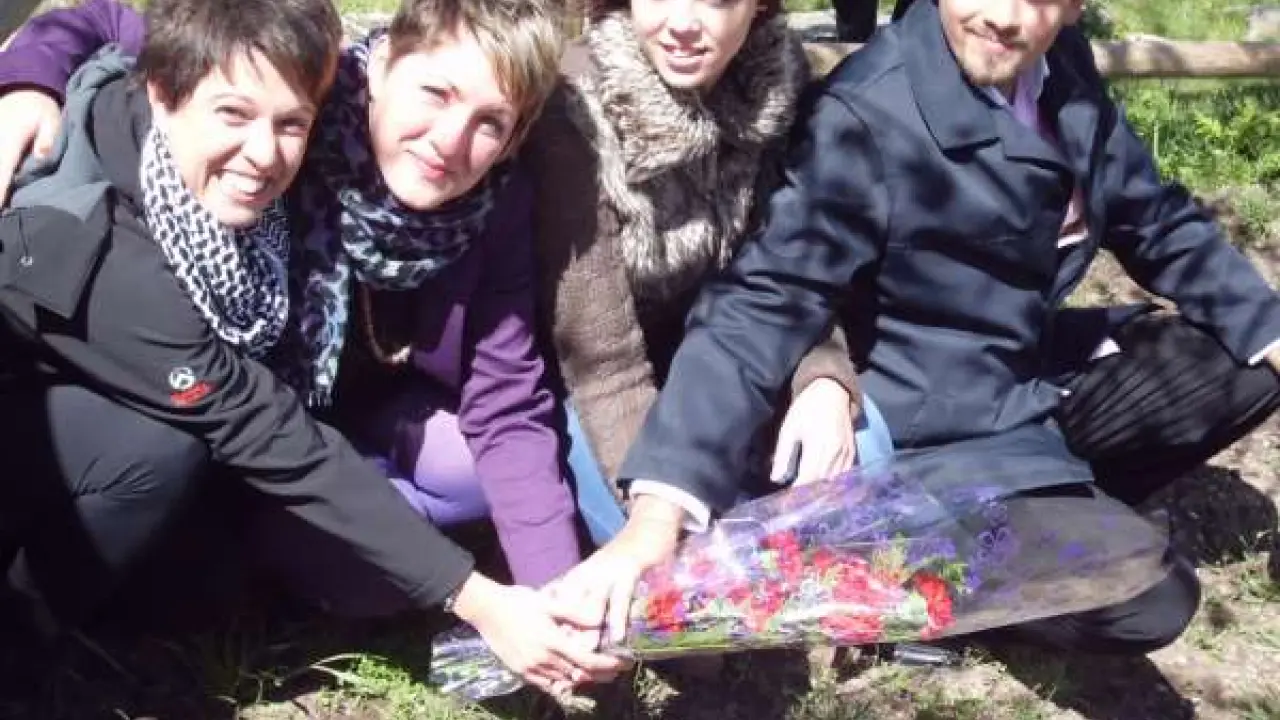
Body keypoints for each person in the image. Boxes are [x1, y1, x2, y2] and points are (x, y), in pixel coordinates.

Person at [552, 0, 1280, 656]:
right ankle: (916, 576)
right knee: (1151, 597)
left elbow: (1157, 220)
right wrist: (660, 511)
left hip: (1021, 372)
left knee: (1246, 360)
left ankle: (1062, 506)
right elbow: (764, 301)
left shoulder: (1059, 65)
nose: (1005, 16)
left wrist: (1269, 328)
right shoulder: (869, 112)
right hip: (936, 435)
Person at [0, 0, 620, 694]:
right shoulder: (119, 230)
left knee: (223, 559)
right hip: (115, 408)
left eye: (291, 125)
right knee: (166, 483)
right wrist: (24, 82)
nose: (264, 152)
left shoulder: (286, 101)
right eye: (436, 94)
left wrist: (551, 594)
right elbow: (256, 425)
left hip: (259, 422)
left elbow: (507, 397)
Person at [523, 0, 896, 547]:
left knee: (866, 445)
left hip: (726, 360)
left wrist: (821, 378)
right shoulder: (578, 109)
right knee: (685, 559)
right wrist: (659, 509)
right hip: (601, 386)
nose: (682, 23)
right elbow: (603, 365)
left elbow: (788, 280)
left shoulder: (775, 87)